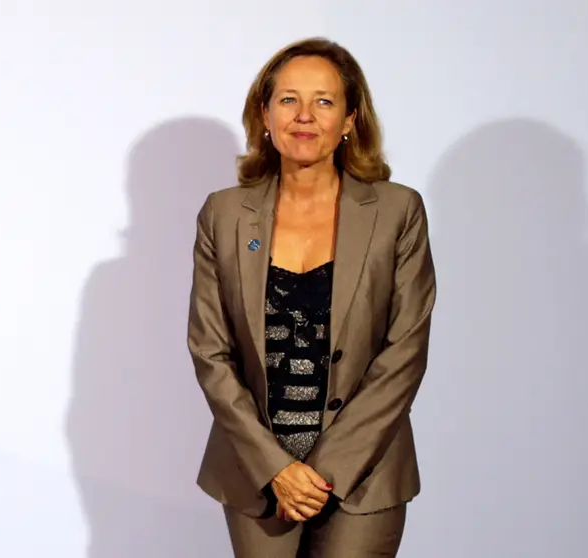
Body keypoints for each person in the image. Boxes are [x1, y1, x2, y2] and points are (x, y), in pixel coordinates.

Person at [187, 37, 436, 557]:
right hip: (256, 476)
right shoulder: (224, 215)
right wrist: (275, 468)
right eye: (288, 100)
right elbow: (210, 352)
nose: (304, 116)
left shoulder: (397, 212)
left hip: (365, 474)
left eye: (323, 101)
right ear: (265, 114)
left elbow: (404, 353)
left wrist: (324, 471)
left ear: (350, 119)